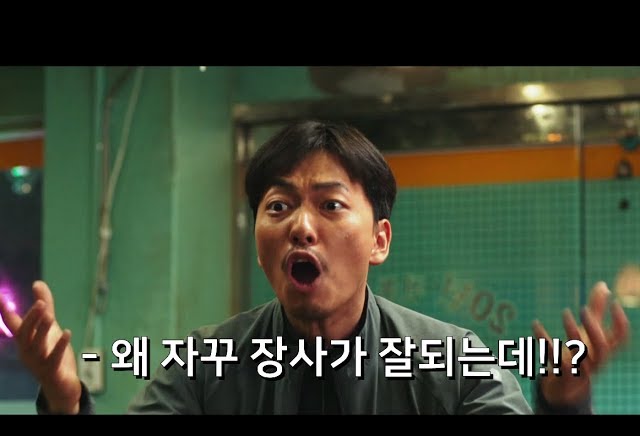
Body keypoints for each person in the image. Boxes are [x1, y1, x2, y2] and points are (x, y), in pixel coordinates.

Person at [0, 120, 631, 414]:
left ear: (379, 240)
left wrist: (564, 402)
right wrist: (64, 400)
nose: (301, 226)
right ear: (259, 241)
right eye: (278, 207)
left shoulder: (453, 362)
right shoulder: (201, 370)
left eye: (330, 205)